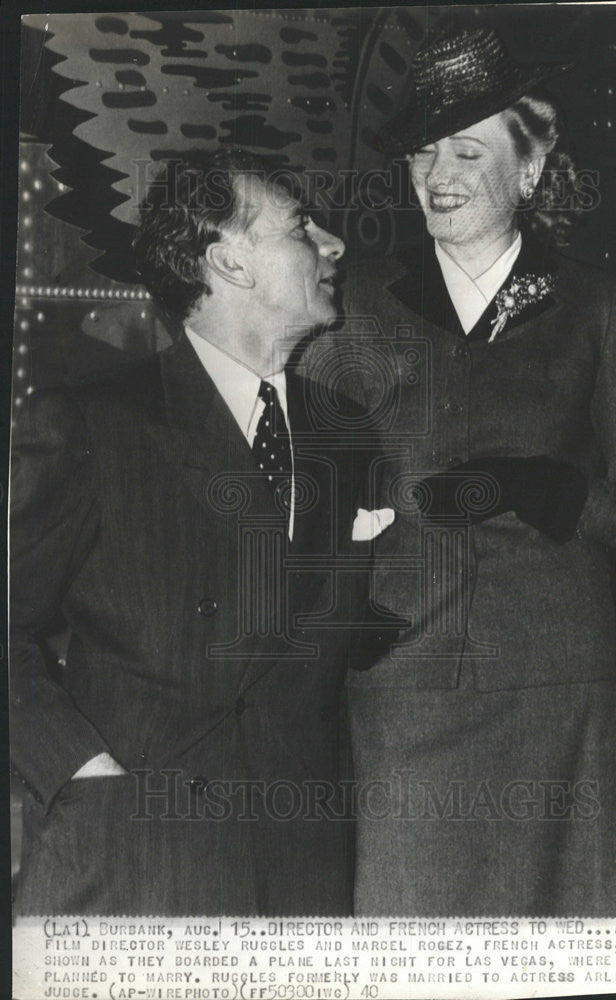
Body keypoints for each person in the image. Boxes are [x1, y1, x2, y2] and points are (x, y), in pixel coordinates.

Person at [302, 25, 616, 916]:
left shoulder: (595, 306)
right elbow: (292, 489)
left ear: (532, 167)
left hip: (559, 698)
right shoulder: (353, 307)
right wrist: (332, 607)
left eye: (468, 150)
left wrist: (558, 494)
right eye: (423, 152)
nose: (438, 174)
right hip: (403, 693)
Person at [10, 146, 397, 916]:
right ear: (230, 264)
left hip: (301, 883)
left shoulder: (346, 437)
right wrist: (80, 772)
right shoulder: (95, 423)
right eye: (300, 227)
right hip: (131, 872)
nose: (333, 244)